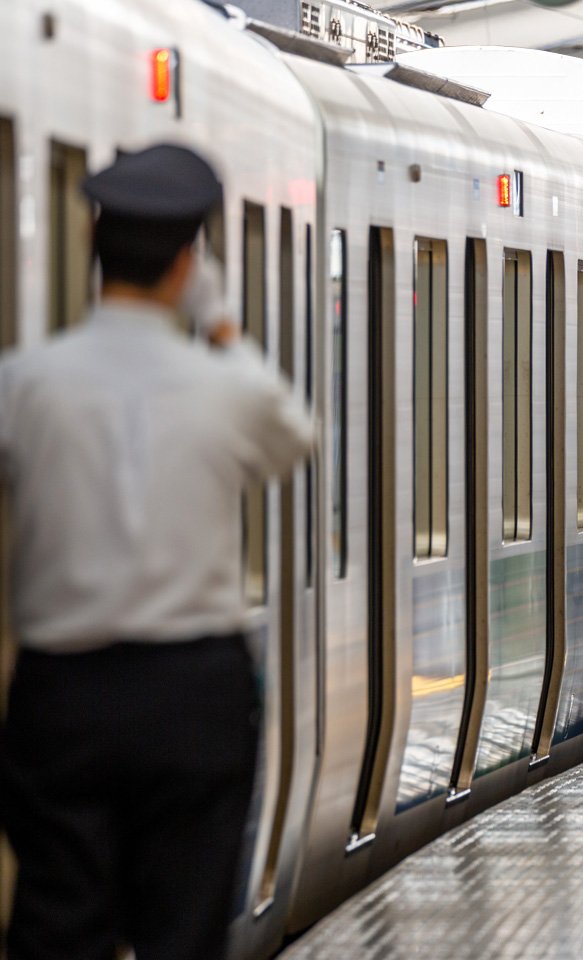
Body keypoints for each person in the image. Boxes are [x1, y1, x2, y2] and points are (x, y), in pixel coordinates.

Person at [0, 144, 313, 960]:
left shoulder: (26, 382)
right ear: (188, 263)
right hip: (192, 694)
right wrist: (221, 326)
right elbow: (295, 435)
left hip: (62, 695)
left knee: (58, 922)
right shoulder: (228, 389)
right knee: (183, 929)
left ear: (93, 252)